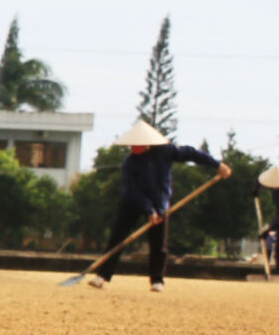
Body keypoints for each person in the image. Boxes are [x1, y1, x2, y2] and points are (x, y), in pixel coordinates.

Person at [90, 118, 221, 293]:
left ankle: (157, 280)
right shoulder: (130, 163)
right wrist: (148, 210)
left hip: (160, 200)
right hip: (133, 201)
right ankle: (102, 275)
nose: (133, 148)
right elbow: (133, 190)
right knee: (118, 236)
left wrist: (217, 165)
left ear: (147, 143)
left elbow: (191, 153)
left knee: (158, 242)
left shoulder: (166, 151)